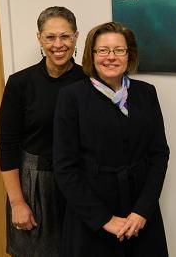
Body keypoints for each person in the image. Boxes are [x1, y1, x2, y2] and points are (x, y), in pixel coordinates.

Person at [53, 21, 169, 257]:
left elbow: (159, 154)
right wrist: (103, 219)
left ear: (129, 55)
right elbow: (64, 167)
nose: (111, 57)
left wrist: (142, 211)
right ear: (92, 55)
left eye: (119, 50)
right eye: (103, 50)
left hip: (140, 213)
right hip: (91, 217)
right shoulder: (71, 97)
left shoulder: (146, 93)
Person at [0, 6, 85, 256]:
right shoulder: (20, 83)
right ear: (39, 39)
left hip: (77, 181)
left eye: (65, 36)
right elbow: (8, 145)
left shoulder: (89, 81)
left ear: (76, 37)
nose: (58, 44)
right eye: (50, 37)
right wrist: (17, 202)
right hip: (33, 186)